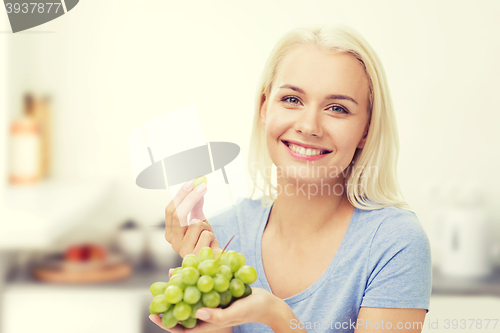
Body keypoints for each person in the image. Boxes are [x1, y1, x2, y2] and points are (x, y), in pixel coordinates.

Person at [151, 24, 432, 333]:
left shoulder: (394, 242)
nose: (309, 126)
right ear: (263, 108)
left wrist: (276, 315)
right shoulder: (222, 234)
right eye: (292, 100)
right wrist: (213, 301)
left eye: (337, 108)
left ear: (366, 129)